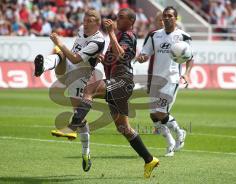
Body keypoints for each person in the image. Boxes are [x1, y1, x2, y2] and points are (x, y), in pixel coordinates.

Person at [52, 8, 159, 178]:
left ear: (130, 22)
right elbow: (115, 57)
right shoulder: (117, 37)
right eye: (117, 16)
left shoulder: (127, 36)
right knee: (123, 128)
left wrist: (111, 33)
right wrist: (102, 57)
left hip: (122, 81)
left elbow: (122, 55)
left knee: (90, 89)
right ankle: (149, 159)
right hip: (117, 85)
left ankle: (72, 127)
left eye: (122, 17)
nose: (117, 19)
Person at [33, 9, 105, 172]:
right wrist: (61, 48)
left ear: (97, 23)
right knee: (60, 55)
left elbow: (76, 58)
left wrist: (59, 43)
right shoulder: (81, 31)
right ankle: (43, 66)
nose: (85, 23)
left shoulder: (99, 41)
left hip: (82, 77)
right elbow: (72, 53)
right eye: (84, 19)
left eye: (90, 20)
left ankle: (86, 152)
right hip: (70, 70)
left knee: (78, 118)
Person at [136, 6, 193, 157]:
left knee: (161, 113)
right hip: (156, 80)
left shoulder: (183, 36)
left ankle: (179, 132)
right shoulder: (154, 35)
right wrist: (141, 58)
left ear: (176, 18)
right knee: (153, 116)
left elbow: (190, 58)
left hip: (171, 79)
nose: (166, 18)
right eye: (164, 16)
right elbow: (145, 54)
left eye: (169, 16)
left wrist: (186, 74)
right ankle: (170, 143)